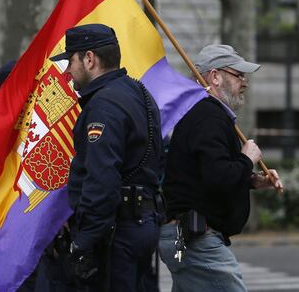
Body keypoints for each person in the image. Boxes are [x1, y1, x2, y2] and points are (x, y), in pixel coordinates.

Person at [159, 44, 283, 292]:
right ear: (214, 76)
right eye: (238, 75)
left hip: (186, 236)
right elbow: (218, 177)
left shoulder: (203, 113)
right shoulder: (208, 115)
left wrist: (250, 179)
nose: (244, 83)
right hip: (198, 240)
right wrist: (247, 158)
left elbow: (203, 174)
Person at [49, 23, 164, 292]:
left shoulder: (103, 105)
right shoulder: (140, 93)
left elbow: (102, 180)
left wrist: (85, 241)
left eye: (71, 61)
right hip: (142, 223)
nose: (67, 72)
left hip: (117, 232)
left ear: (89, 59)